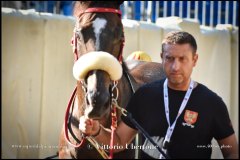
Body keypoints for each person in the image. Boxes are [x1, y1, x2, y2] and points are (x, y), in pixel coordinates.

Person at [79, 31, 238, 159]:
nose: (175, 66)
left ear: (194, 60)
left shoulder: (212, 103)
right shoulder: (144, 95)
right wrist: (97, 131)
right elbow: (119, 141)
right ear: (162, 58)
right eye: (169, 58)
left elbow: (231, 151)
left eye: (183, 59)